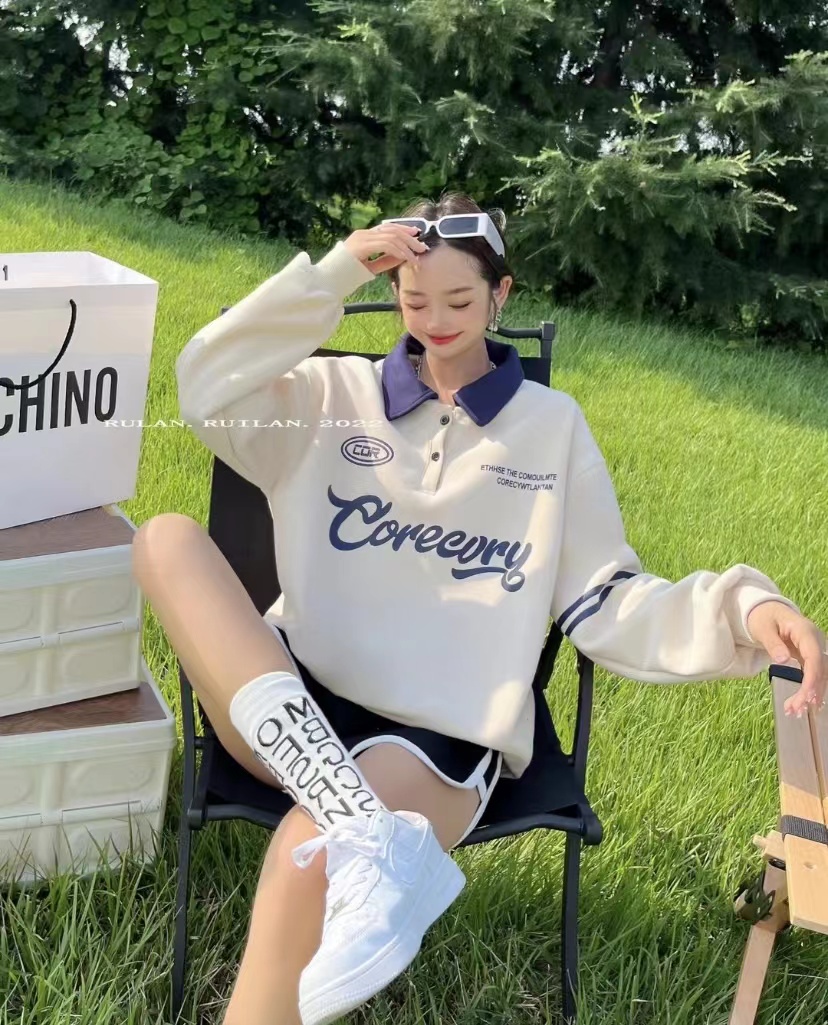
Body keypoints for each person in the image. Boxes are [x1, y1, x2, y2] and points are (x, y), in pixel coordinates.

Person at [131, 191, 827, 1025]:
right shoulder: (328, 394)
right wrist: (337, 270)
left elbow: (606, 598)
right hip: (288, 701)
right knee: (165, 538)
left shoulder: (550, 428)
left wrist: (744, 610)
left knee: (303, 858)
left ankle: (359, 838)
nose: (436, 322)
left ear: (501, 294)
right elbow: (204, 383)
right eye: (414, 300)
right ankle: (367, 836)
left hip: (435, 736)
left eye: (460, 301)